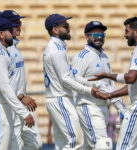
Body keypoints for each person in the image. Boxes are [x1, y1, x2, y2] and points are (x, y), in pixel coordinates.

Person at [43, 13, 101, 150]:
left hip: (58, 98)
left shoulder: (57, 47)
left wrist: (91, 84)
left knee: (63, 144)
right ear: (55, 30)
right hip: (61, 98)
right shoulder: (56, 49)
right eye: (65, 26)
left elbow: (70, 76)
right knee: (76, 141)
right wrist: (89, 90)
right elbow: (65, 79)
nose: (69, 29)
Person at [72, 20, 127, 150]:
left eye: (102, 35)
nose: (99, 38)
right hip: (88, 105)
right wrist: (95, 86)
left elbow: (109, 85)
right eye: (95, 35)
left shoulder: (105, 57)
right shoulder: (82, 56)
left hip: (104, 108)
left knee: (90, 146)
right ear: (87, 36)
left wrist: (120, 107)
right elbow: (73, 80)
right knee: (103, 144)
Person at [89, 17, 137, 150]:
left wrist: (107, 75)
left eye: (127, 31)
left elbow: (131, 78)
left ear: (136, 32)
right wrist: (110, 96)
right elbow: (133, 86)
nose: (125, 35)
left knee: (124, 148)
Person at [0, 10, 43, 150]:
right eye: (15, 23)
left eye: (20, 22)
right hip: (12, 104)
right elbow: (4, 83)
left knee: (35, 143)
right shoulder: (2, 50)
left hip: (21, 103)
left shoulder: (14, 47)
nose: (19, 26)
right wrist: (21, 96)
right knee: (15, 145)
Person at [0, 15, 34, 150]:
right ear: (1, 34)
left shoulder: (3, 51)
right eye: (9, 30)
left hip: (5, 106)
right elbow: (5, 87)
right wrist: (23, 112)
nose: (13, 33)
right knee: (0, 146)